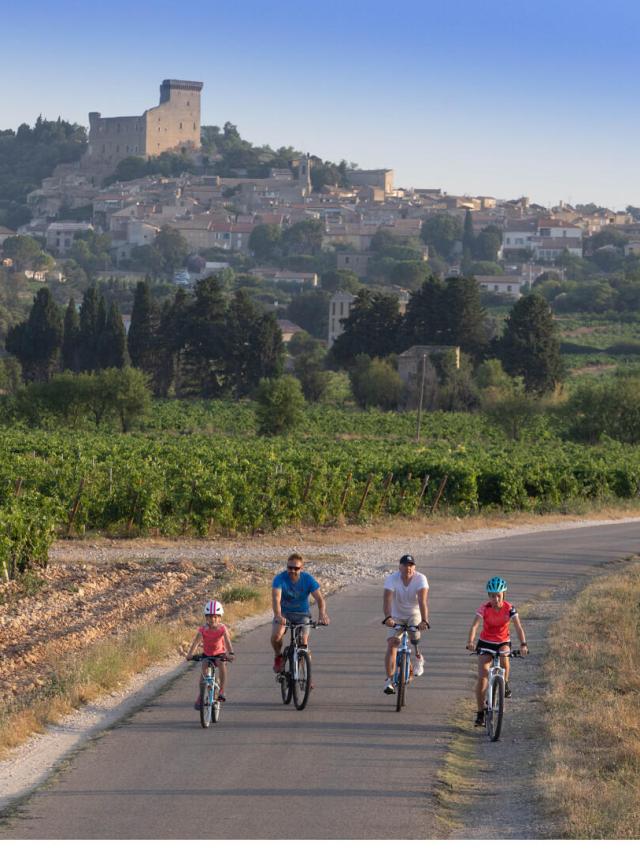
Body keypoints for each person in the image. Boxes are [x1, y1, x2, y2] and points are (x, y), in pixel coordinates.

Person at [466, 576, 528, 726]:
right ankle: (480, 713)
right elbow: (475, 625)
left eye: (498, 595)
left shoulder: (509, 608)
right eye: (492, 596)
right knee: (482, 677)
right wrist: (470, 642)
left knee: (504, 658)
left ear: (503, 595)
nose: (496, 599)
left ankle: (504, 684)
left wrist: (523, 644)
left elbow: (518, 627)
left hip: (502, 641)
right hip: (486, 642)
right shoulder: (484, 608)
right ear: (489, 596)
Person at [271, 552, 329, 672]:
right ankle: (278, 656)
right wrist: (278, 615)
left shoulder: (308, 579)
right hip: (284, 614)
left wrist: (322, 614)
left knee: (303, 643)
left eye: (296, 568)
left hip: (302, 615)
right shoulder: (279, 579)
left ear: (301, 568)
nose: (292, 571)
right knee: (276, 636)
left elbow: (319, 599)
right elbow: (276, 599)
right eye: (289, 567)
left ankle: (307, 676)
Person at [382, 554, 430, 694]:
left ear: (414, 567)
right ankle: (389, 680)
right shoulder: (392, 579)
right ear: (400, 567)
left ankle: (418, 657)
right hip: (396, 616)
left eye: (411, 565)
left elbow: (422, 601)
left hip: (414, 614)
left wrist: (424, 620)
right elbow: (387, 600)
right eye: (405, 565)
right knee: (392, 643)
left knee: (414, 637)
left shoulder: (421, 578)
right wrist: (388, 617)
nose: (408, 568)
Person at [187, 599, 234, 708]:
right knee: (203, 672)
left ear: (220, 617)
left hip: (219, 654)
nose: (212, 619)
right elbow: (196, 642)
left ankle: (222, 690)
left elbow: (227, 641)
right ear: (206, 617)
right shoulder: (203, 629)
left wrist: (231, 653)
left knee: (222, 664)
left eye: (215, 617)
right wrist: (190, 654)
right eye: (209, 617)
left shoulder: (222, 629)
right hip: (207, 655)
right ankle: (201, 695)